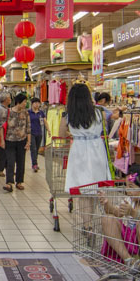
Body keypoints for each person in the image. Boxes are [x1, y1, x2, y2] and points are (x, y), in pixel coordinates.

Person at [61, 83, 112, 213]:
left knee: (83, 189)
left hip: (79, 150)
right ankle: (91, 220)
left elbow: (61, 134)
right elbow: (104, 130)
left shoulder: (68, 115)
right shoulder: (100, 113)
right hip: (97, 149)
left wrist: (74, 134)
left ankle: (87, 225)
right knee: (95, 186)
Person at [3, 93, 31, 192]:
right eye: (24, 102)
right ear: (18, 102)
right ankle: (9, 183)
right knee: (10, 162)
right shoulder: (8, 112)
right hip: (10, 140)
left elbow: (28, 128)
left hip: (21, 141)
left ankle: (19, 182)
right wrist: (1, 140)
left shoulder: (26, 113)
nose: (25, 104)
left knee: (21, 162)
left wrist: (28, 142)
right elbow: (3, 126)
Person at [28, 97, 49, 173]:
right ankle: (34, 164)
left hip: (39, 133)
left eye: (38, 103)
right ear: (32, 104)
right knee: (33, 148)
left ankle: (35, 162)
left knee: (36, 149)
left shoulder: (41, 113)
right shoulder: (28, 112)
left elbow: (45, 122)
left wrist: (48, 130)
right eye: (35, 103)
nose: (37, 104)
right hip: (31, 133)